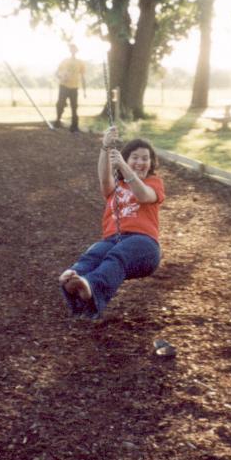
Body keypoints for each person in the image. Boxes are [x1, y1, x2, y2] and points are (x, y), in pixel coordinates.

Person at [59, 125, 165, 320]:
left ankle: (91, 286)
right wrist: (105, 147)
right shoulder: (115, 187)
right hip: (114, 239)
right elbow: (104, 177)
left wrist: (124, 166)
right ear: (126, 158)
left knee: (116, 255)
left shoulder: (153, 183)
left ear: (151, 164)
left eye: (145, 158)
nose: (140, 162)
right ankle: (75, 281)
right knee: (93, 255)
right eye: (135, 157)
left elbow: (143, 195)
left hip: (144, 245)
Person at [54, 43, 86, 132]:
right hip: (63, 86)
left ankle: (74, 126)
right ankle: (58, 121)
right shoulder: (64, 61)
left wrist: (84, 90)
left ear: (76, 51)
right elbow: (57, 73)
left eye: (74, 49)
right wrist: (62, 77)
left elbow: (83, 76)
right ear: (69, 50)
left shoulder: (80, 62)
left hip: (74, 87)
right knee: (60, 104)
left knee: (74, 106)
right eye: (71, 49)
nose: (73, 51)